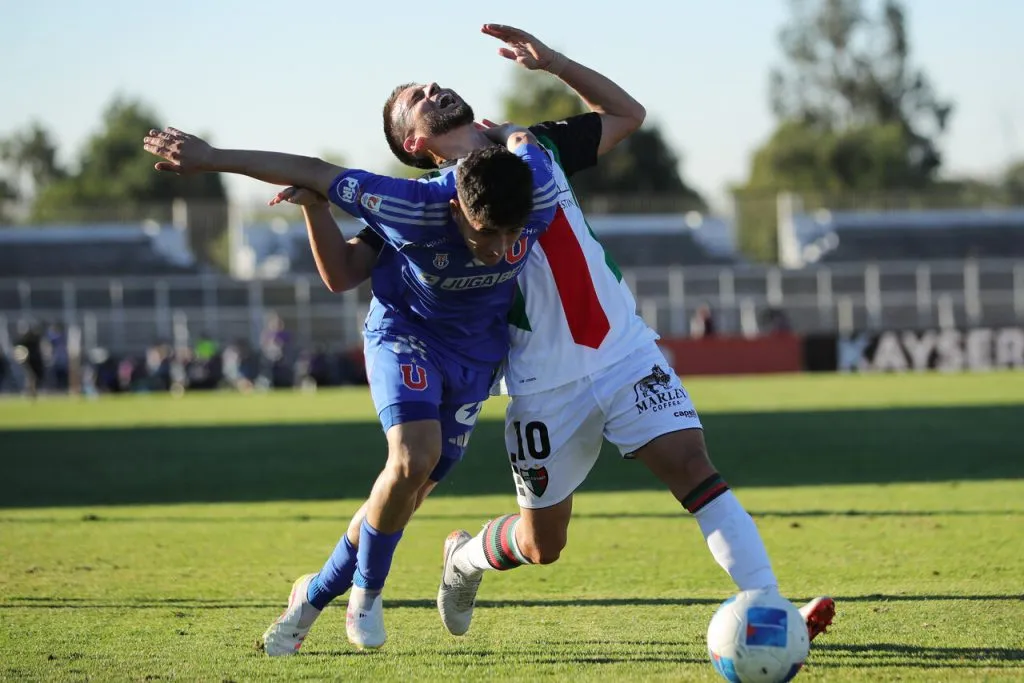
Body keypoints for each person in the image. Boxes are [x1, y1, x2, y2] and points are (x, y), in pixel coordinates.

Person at [278, 23, 835, 644]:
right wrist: (314, 205)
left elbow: (628, 115)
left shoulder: (535, 144)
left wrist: (555, 64)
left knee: (690, 464)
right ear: (415, 143)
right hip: (542, 380)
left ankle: (768, 605)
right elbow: (345, 272)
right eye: (417, 97)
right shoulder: (423, 206)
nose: (434, 88)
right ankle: (464, 560)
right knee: (543, 544)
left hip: (623, 348)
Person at [144, 115, 558, 654]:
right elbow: (315, 170)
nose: (503, 248)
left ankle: (312, 596)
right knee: (412, 459)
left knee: (404, 494)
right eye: (488, 233)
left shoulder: (536, 189)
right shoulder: (411, 204)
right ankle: (367, 593)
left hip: (476, 355)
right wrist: (211, 158)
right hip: (406, 335)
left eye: (513, 233)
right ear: (456, 207)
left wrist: (511, 133)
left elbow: (525, 141)